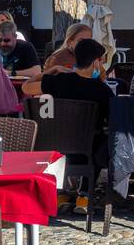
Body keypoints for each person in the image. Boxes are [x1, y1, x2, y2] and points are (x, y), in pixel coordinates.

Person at [24, 38, 114, 215]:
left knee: (76, 137)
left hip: (58, 146)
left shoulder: (59, 81)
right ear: (96, 62)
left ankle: (62, 195)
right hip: (86, 148)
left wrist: (51, 70)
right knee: (102, 139)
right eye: (101, 60)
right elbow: (111, 119)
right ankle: (84, 195)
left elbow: (27, 88)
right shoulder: (101, 90)